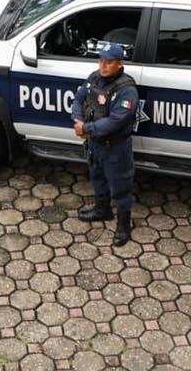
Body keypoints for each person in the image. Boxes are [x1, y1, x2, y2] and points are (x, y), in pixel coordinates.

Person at [70, 41, 139, 246]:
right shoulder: (94, 78)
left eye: (109, 62)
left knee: (120, 186)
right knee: (97, 177)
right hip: (94, 144)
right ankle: (102, 211)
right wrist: (79, 122)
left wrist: (86, 130)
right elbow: (78, 100)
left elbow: (115, 121)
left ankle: (124, 225)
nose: (103, 66)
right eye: (101, 60)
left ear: (119, 64)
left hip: (115, 147)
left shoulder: (126, 90)